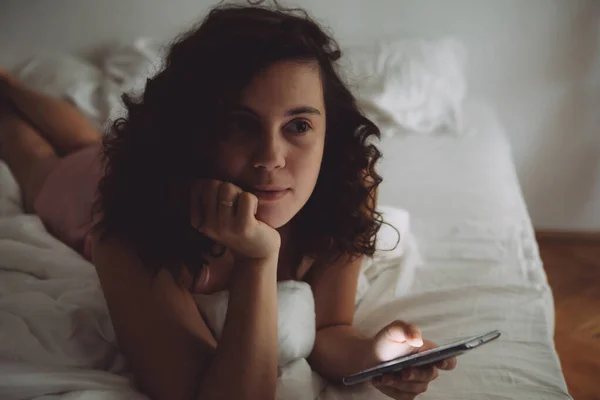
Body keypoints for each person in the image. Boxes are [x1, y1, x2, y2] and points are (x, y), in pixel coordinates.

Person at [0, 2, 456, 399]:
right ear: (195, 129)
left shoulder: (345, 189)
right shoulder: (127, 233)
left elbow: (329, 331)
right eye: (241, 123)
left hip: (128, 164)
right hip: (91, 189)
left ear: (327, 131)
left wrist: (379, 353)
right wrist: (258, 260)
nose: (270, 158)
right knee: (37, 154)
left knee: (86, 136)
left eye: (298, 126)